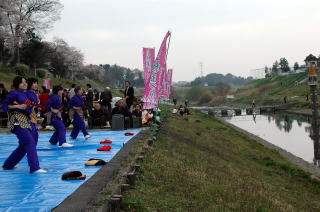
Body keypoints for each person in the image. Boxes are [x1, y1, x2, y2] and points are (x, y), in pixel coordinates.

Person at [2, 76, 47, 173]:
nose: (25, 84)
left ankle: (8, 164)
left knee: (24, 145)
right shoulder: (13, 93)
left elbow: (27, 108)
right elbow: (5, 106)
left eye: (25, 82)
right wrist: (17, 106)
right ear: (16, 84)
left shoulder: (24, 94)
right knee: (29, 142)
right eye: (22, 82)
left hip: (26, 120)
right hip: (17, 120)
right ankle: (35, 168)